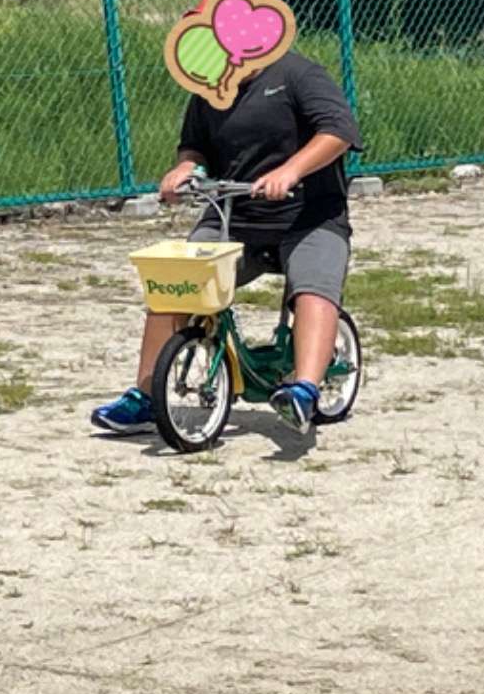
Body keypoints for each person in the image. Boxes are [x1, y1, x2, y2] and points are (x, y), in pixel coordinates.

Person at [92, 45, 362, 438]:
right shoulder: (209, 86)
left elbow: (338, 130)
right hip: (234, 217)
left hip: (310, 216)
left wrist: (290, 171)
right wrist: (186, 167)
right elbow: (194, 144)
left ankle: (304, 389)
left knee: (314, 288)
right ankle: (146, 397)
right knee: (176, 282)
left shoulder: (299, 74)